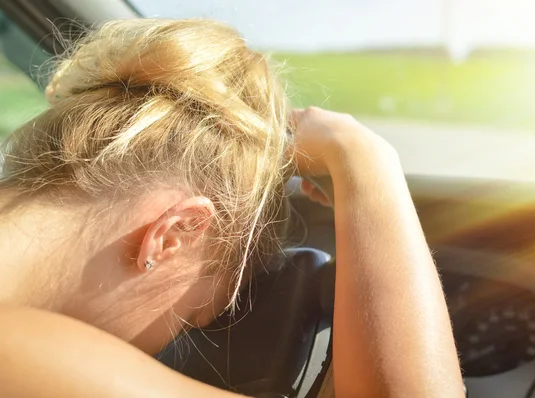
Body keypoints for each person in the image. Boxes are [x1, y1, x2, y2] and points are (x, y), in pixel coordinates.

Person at [0, 19, 464, 397]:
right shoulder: (24, 352)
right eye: (190, 317)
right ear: (175, 233)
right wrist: (365, 158)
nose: (158, 350)